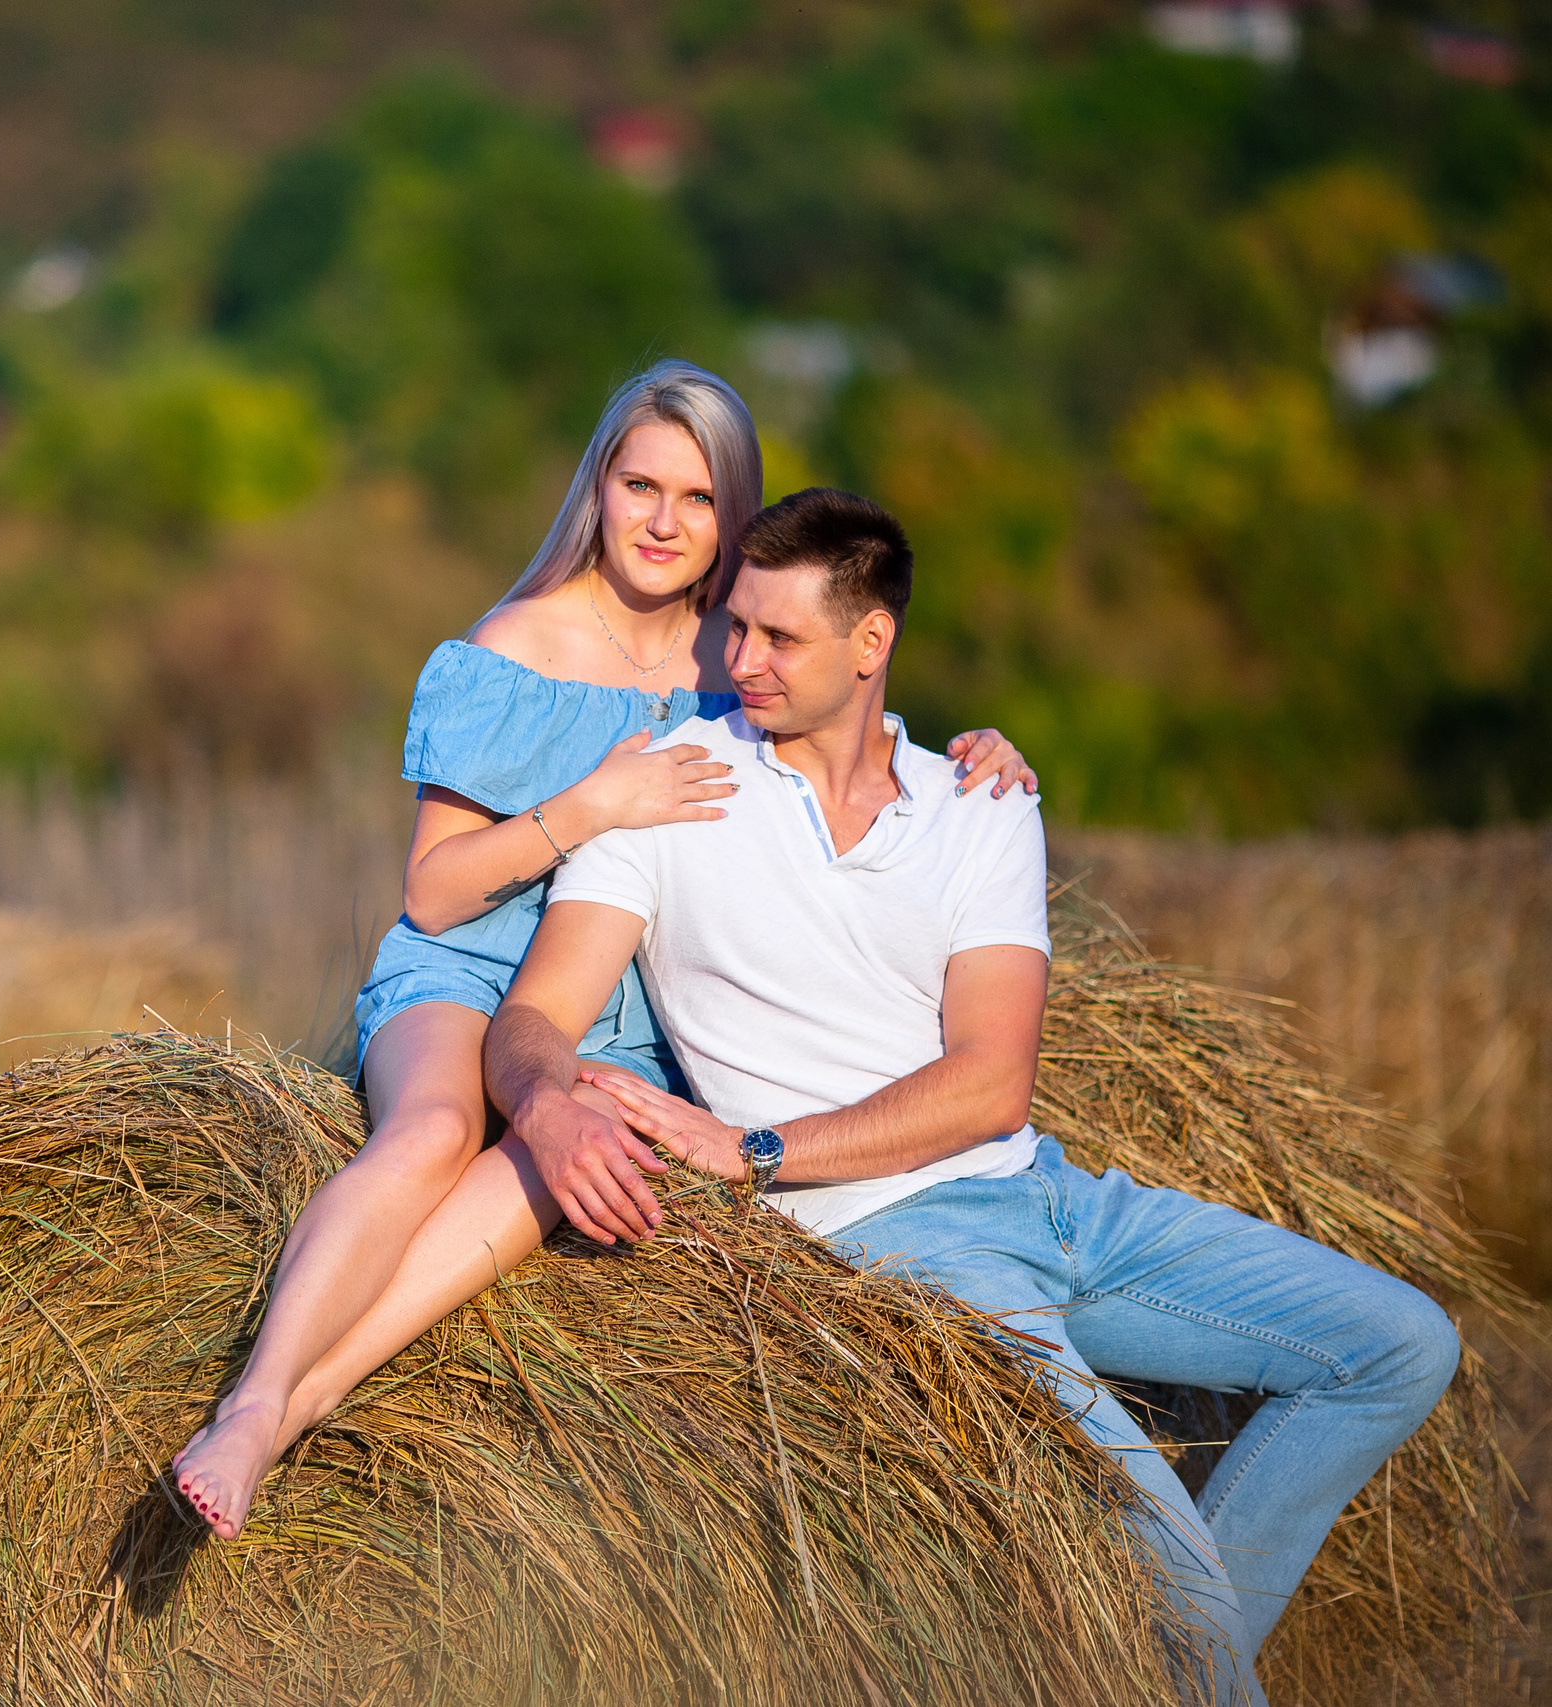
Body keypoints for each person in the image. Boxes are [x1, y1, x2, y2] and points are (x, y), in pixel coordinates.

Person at [469, 487, 1456, 1703]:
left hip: (1038, 1196)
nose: (740, 660)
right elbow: (530, 1020)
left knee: (1402, 1348)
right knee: (1182, 1609)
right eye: (735, 627)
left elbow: (991, 1085)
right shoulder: (673, 787)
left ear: (871, 643)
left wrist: (752, 1147)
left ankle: (1168, 1669)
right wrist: (547, 1104)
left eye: (779, 638)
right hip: (896, 1243)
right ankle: (1186, 1662)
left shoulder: (977, 804)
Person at [169, 362, 1042, 1540]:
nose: (662, 522)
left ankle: (309, 1405)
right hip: (472, 974)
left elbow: (858, 736)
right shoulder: (515, 641)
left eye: (696, 498)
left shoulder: (735, 662)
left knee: (551, 1168)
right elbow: (432, 891)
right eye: (640, 485)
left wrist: (982, 749)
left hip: (620, 1011)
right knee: (432, 1132)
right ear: (600, 485)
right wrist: (588, 806)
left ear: (737, 518)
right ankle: (252, 1398)